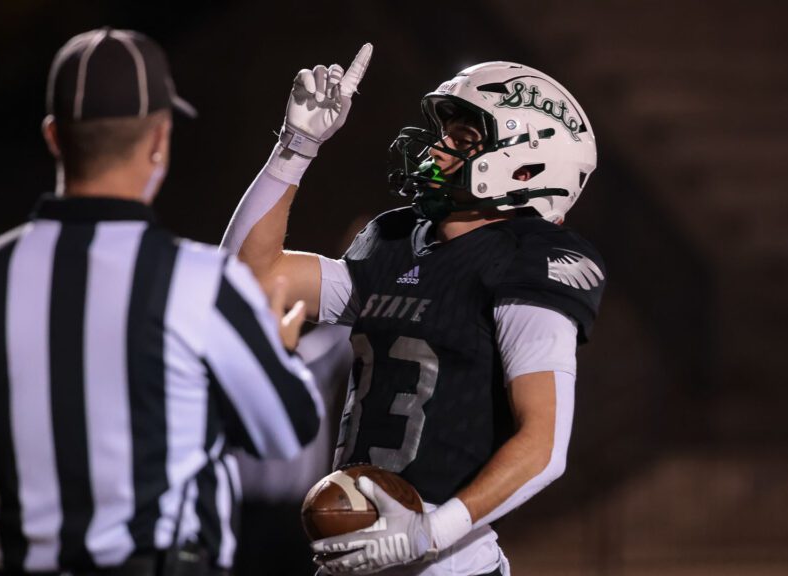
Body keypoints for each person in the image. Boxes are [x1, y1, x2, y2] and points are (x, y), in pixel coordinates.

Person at [0, 28, 322, 576]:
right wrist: (278, 350)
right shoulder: (198, 279)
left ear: (54, 137)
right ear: (159, 139)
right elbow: (286, 430)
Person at [224, 44, 604, 575]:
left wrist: (430, 532)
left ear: (523, 168)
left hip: (449, 562)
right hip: (358, 555)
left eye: (464, 139)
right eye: (446, 133)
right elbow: (249, 277)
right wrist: (296, 146)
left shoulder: (529, 260)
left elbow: (544, 446)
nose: (438, 149)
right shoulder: (394, 239)